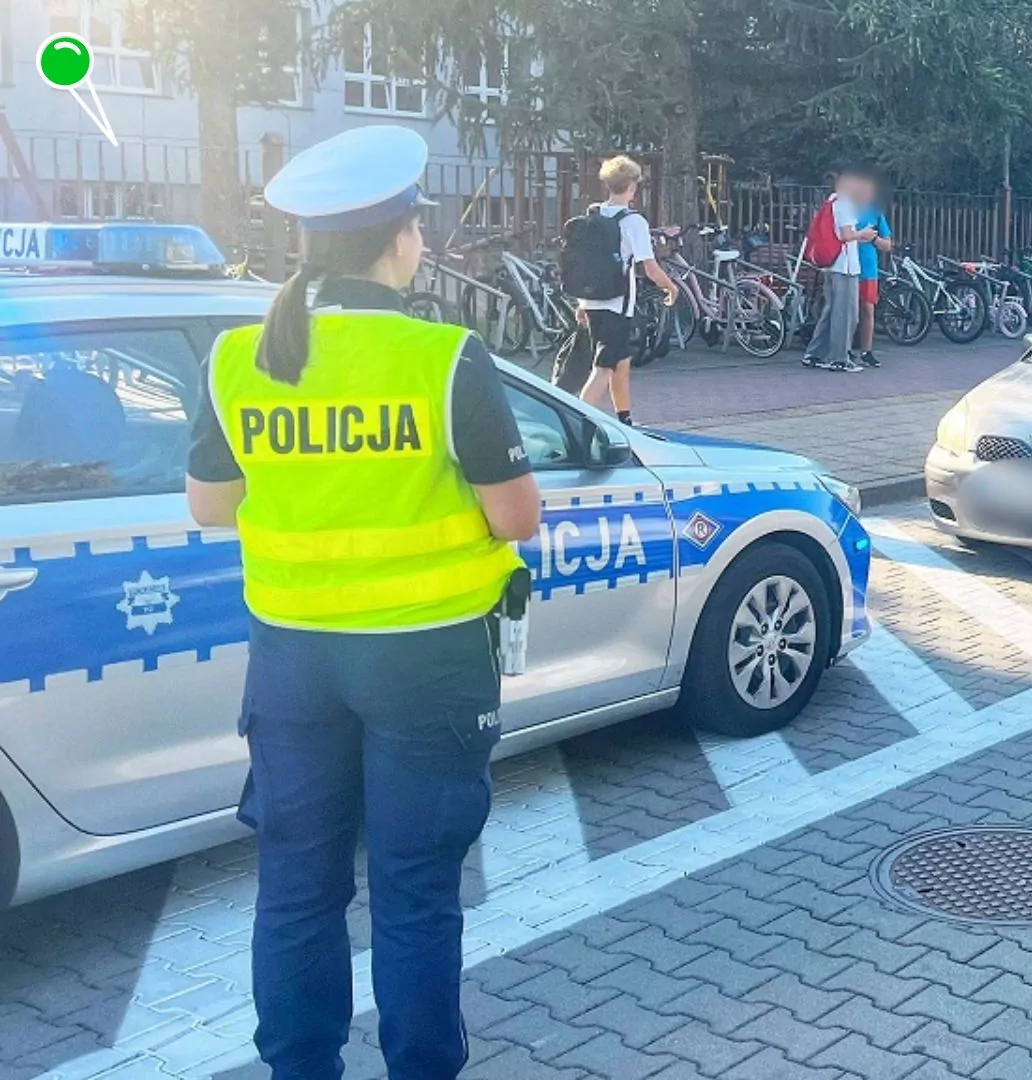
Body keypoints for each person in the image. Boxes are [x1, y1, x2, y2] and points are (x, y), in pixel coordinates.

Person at [185, 125, 542, 1080]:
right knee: (416, 893)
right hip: (426, 663)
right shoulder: (443, 356)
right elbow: (517, 519)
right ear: (398, 239)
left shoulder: (238, 355)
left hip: (294, 659)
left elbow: (211, 504)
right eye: (419, 230)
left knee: (297, 888)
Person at [578, 155, 677, 425]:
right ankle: (577, 420)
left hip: (593, 301)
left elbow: (586, 262)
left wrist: (582, 302)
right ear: (632, 187)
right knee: (604, 367)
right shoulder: (634, 222)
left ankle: (625, 420)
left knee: (620, 363)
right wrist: (671, 287)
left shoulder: (593, 214)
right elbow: (650, 268)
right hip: (617, 304)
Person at [802, 167, 879, 373]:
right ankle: (840, 358)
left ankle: (815, 354)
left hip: (832, 266)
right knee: (846, 315)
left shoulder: (831, 202)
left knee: (831, 312)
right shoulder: (844, 204)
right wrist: (862, 234)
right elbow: (845, 235)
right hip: (844, 267)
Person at [854, 192, 894, 368]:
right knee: (849, 312)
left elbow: (887, 245)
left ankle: (866, 351)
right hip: (849, 268)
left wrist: (874, 238)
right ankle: (845, 349)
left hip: (869, 269)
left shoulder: (875, 213)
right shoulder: (846, 212)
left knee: (867, 309)